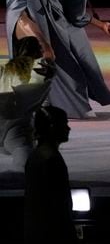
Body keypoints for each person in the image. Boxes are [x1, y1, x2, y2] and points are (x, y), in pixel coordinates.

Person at [24, 105, 78, 244]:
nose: (68, 128)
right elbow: (56, 203)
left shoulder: (39, 156)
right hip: (51, 234)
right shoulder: (49, 159)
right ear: (52, 126)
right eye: (64, 124)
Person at [1, 37, 55, 170]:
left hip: (4, 114)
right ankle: (22, 180)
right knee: (22, 151)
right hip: (17, 120)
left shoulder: (6, 66)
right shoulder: (39, 65)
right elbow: (40, 81)